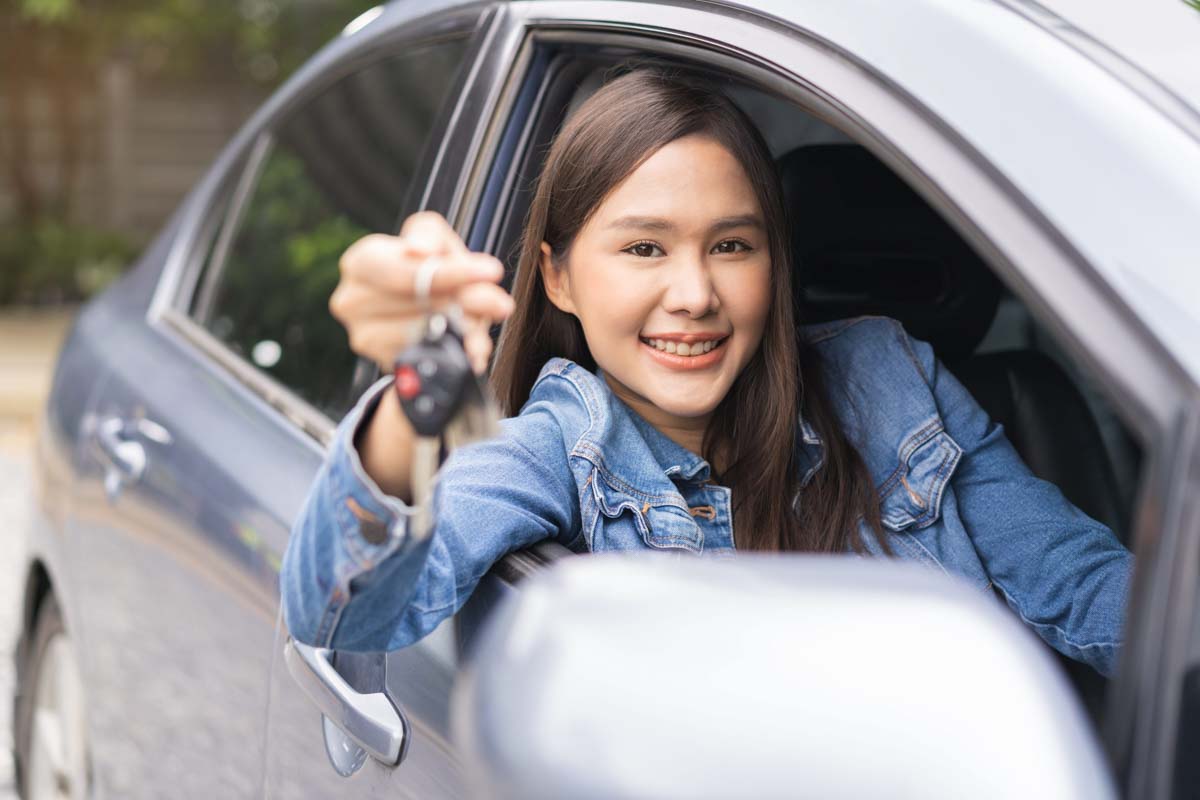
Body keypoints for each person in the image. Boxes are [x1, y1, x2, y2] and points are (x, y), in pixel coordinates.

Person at [280, 68, 1132, 677]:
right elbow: (345, 615)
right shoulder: (556, 449)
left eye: (731, 245)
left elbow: (1084, 584)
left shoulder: (888, 376)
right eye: (644, 248)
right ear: (558, 276)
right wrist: (412, 399)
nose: (694, 295)